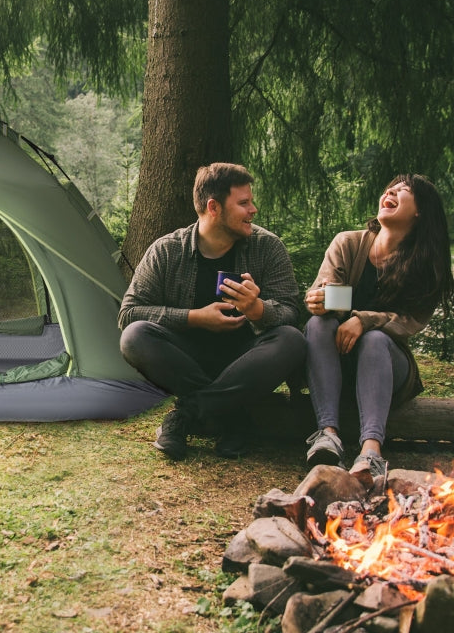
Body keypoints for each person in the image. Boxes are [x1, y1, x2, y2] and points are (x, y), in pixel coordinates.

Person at [118, 163, 306, 460]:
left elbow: (291, 312)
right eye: (243, 203)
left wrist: (258, 310)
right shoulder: (167, 250)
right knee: (134, 335)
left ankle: (188, 414)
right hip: (188, 358)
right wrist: (195, 318)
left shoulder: (267, 247)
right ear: (213, 207)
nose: (253, 210)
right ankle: (233, 417)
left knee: (291, 339)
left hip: (246, 360)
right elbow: (129, 313)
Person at [303, 174, 454, 487]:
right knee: (317, 324)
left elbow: (410, 322)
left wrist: (364, 319)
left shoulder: (425, 264)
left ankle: (371, 451)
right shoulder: (348, 243)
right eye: (391, 187)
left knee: (374, 339)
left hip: (386, 368)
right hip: (336, 363)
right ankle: (327, 435)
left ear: (419, 212)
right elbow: (325, 292)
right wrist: (318, 299)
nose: (392, 191)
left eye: (404, 190)